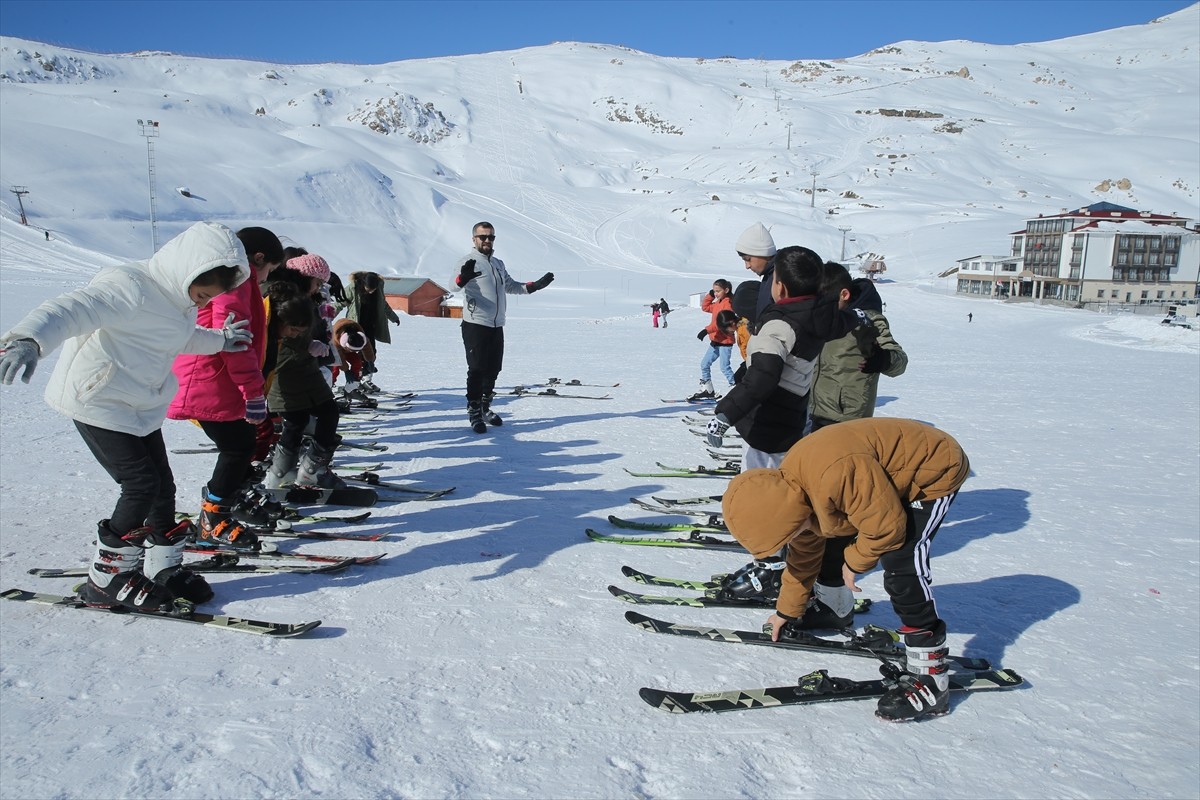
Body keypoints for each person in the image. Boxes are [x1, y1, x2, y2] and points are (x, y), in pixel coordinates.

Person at [0, 222, 254, 612]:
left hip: (141, 406)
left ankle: (162, 567)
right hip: (97, 402)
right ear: (188, 269)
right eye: (203, 294)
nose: (204, 303)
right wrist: (29, 339)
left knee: (162, 486)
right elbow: (71, 309)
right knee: (140, 484)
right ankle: (106, 579)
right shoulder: (129, 286)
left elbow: (179, 337)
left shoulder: (180, 301)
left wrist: (220, 339)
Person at [722, 417, 970, 722]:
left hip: (932, 470)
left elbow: (887, 528)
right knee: (824, 539)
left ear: (789, 514)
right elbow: (804, 554)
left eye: (787, 535)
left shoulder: (835, 474)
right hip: (882, 479)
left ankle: (931, 676)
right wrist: (786, 610)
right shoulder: (796, 494)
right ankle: (834, 608)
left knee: (902, 563)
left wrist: (855, 561)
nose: (790, 542)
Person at [799, 263, 910, 628]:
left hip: (848, 422)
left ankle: (834, 596)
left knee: (836, 511)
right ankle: (818, 580)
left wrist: (882, 358)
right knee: (816, 504)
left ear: (844, 294)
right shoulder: (824, 313)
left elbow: (898, 360)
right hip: (817, 415)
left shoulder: (869, 320)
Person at [168, 226, 285, 549]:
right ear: (258, 258)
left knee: (240, 445)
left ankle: (227, 503)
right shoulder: (235, 281)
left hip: (214, 377)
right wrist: (253, 392)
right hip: (209, 377)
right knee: (238, 447)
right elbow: (235, 343)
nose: (265, 279)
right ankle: (213, 517)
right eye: (269, 271)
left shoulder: (237, 278)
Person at [450, 221, 555, 434]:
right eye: (483, 237)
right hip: (475, 324)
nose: (487, 240)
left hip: (497, 324)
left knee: (494, 369)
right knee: (477, 369)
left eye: (491, 237)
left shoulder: (498, 263)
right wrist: (464, 277)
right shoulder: (467, 261)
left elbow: (510, 285)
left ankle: (486, 407)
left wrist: (533, 287)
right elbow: (452, 285)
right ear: (474, 239)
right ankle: (474, 411)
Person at [262, 253, 345, 489]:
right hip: (286, 370)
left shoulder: (305, 299)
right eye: (317, 282)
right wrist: (308, 344)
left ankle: (299, 470)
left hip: (304, 369)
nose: (319, 287)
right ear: (304, 277)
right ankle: (295, 471)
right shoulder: (286, 299)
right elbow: (280, 337)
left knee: (315, 416)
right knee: (303, 418)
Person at [343, 271, 399, 389]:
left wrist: (393, 317)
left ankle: (366, 380)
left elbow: (384, 305)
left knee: (371, 353)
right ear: (363, 283)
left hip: (370, 325)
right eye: (368, 289)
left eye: (372, 289)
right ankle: (355, 381)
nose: (370, 291)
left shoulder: (378, 289)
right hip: (355, 326)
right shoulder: (353, 288)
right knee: (355, 352)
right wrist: (328, 314)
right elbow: (340, 301)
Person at [691, 279, 735, 400]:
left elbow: (721, 323)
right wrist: (710, 295)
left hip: (725, 342)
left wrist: (706, 330)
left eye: (718, 291)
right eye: (714, 291)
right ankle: (708, 389)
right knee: (704, 364)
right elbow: (705, 307)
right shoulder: (717, 303)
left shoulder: (728, 304)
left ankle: (735, 389)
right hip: (715, 340)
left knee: (724, 367)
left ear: (726, 290)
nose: (716, 294)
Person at [735, 222, 778, 320]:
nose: (747, 266)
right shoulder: (769, 275)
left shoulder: (780, 277)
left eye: (748, 259)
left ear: (763, 253)